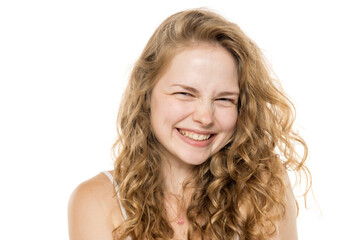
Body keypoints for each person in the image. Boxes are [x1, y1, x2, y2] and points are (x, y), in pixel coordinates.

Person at [68, 9, 311, 240]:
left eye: (224, 99)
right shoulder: (96, 200)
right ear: (146, 92)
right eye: (185, 93)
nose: (205, 117)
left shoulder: (262, 187)